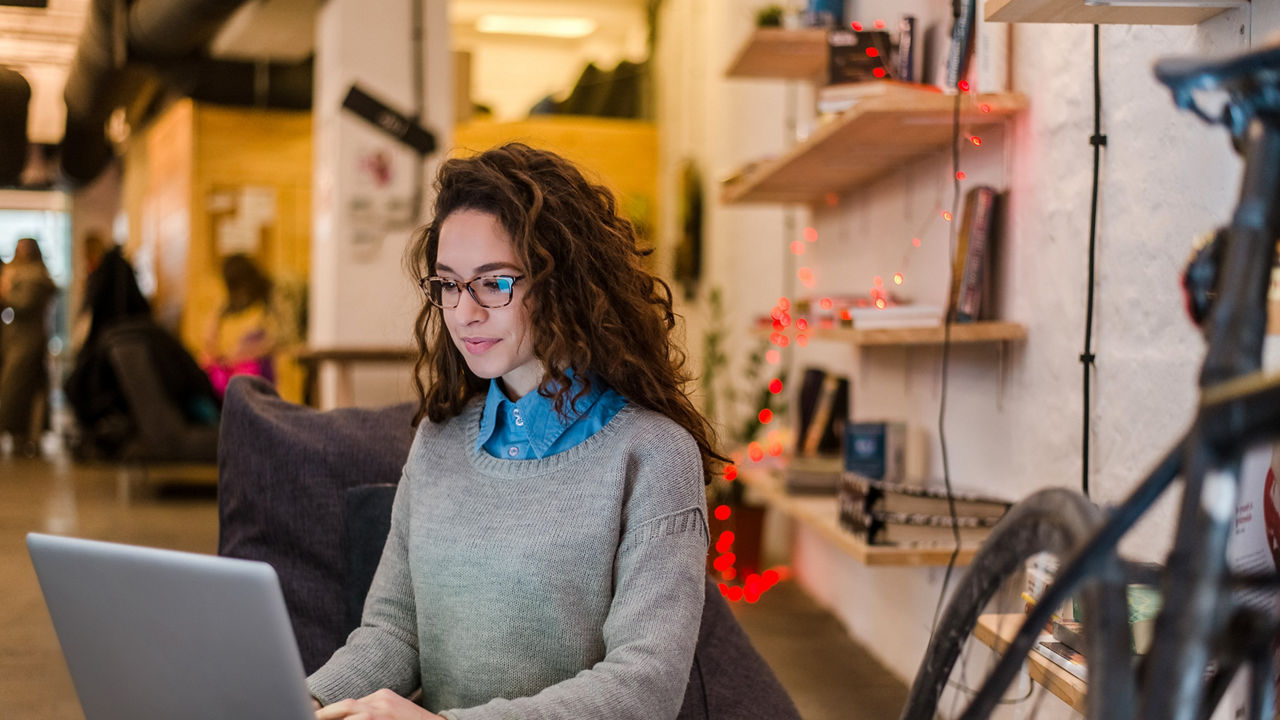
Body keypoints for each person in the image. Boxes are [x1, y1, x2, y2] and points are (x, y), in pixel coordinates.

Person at [307, 143, 725, 720]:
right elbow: (395, 634)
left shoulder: (653, 456)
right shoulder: (439, 439)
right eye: (449, 285)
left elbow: (643, 688)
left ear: (562, 284)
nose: (464, 313)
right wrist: (303, 697)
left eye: (494, 284)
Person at [0, 237, 57, 457]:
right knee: (21, 389)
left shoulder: (34, 276)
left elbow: (23, 303)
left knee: (15, 388)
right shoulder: (19, 273)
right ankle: (19, 433)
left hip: (27, 341)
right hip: (18, 339)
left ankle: (19, 432)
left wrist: (6, 293)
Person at [201, 253, 277, 398]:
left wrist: (239, 355)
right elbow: (209, 347)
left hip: (253, 374)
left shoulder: (268, 302)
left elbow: (276, 342)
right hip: (233, 371)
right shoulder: (222, 310)